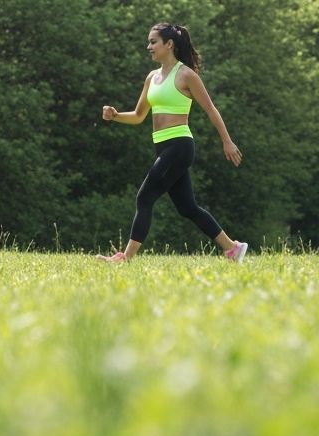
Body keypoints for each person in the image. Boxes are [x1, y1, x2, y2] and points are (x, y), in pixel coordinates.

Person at [97, 23, 247, 263]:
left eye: (153, 42)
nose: (149, 47)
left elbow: (211, 109)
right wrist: (115, 116)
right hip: (163, 146)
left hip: (180, 145)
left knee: (144, 197)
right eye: (149, 42)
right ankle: (233, 249)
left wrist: (227, 141)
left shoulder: (186, 75)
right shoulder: (152, 78)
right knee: (187, 208)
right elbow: (138, 116)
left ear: (169, 44)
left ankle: (124, 258)